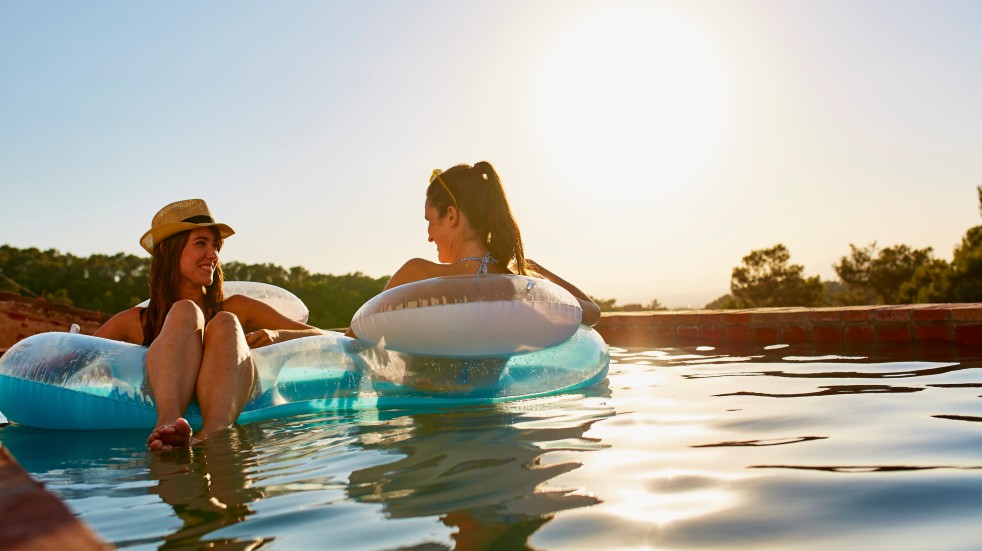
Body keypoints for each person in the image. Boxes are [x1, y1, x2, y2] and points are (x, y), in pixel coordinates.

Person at [94, 199, 325, 451]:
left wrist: (274, 333)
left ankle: (213, 433)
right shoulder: (135, 321)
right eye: (200, 243)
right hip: (157, 406)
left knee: (225, 321)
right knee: (184, 311)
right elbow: (75, 359)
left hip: (226, 413)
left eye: (215, 246)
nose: (213, 254)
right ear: (167, 250)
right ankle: (169, 424)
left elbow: (318, 335)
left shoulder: (237, 308)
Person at [351, 161, 600, 336]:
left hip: (430, 410)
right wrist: (533, 269)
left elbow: (355, 338)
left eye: (429, 221)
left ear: (451, 216)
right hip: (497, 411)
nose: (429, 236)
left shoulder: (417, 274)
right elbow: (591, 312)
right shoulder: (517, 283)